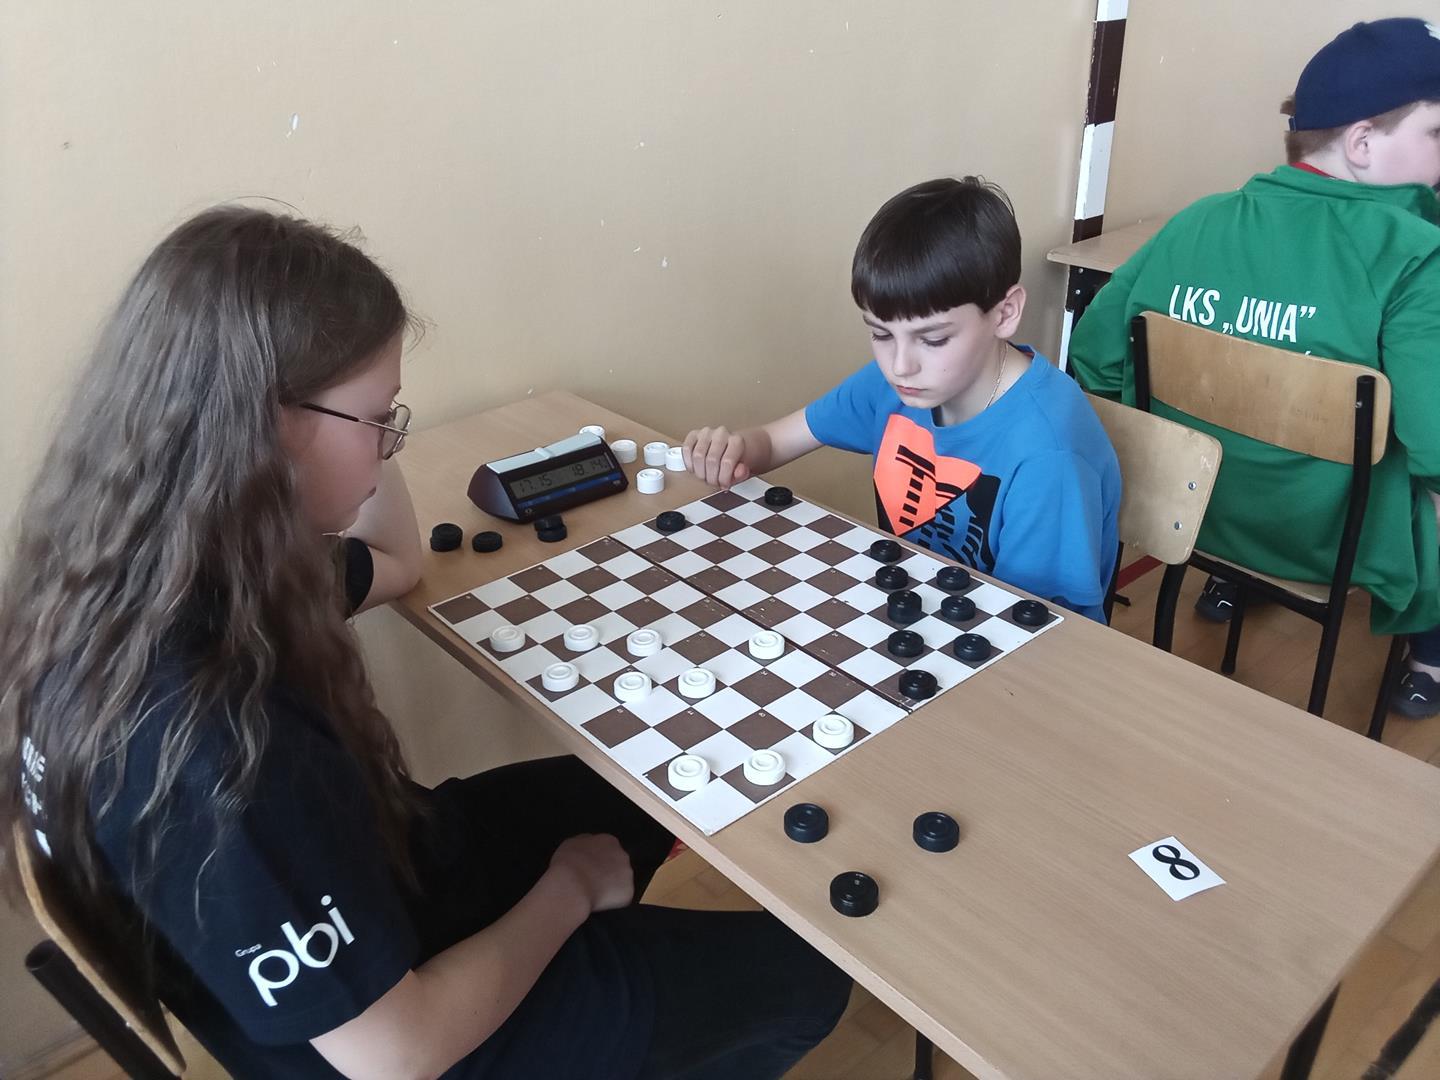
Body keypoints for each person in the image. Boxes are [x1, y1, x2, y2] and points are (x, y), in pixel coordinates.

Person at [0, 206, 851, 1078]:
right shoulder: (212, 742)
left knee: (650, 782)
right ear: (262, 429)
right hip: (408, 1038)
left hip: (377, 888)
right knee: (813, 981)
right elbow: (394, 1056)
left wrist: (355, 434)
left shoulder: (161, 577)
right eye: (379, 419)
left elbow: (398, 563)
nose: (391, 443)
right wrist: (566, 893)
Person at [1067, 17, 1440, 717]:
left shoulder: (1198, 220)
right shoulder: (1417, 257)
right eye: (1437, 134)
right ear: (1363, 142)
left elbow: (1092, 354)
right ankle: (1430, 659)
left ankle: (1229, 580)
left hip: (1193, 512)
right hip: (1331, 545)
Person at [684, 177, 1121, 622]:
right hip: (917, 616)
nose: (900, 365)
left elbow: (1035, 626)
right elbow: (774, 442)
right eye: (880, 334)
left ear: (1004, 313)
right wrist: (733, 450)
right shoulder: (893, 386)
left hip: (1012, 639)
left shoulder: (1049, 456)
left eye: (933, 339)